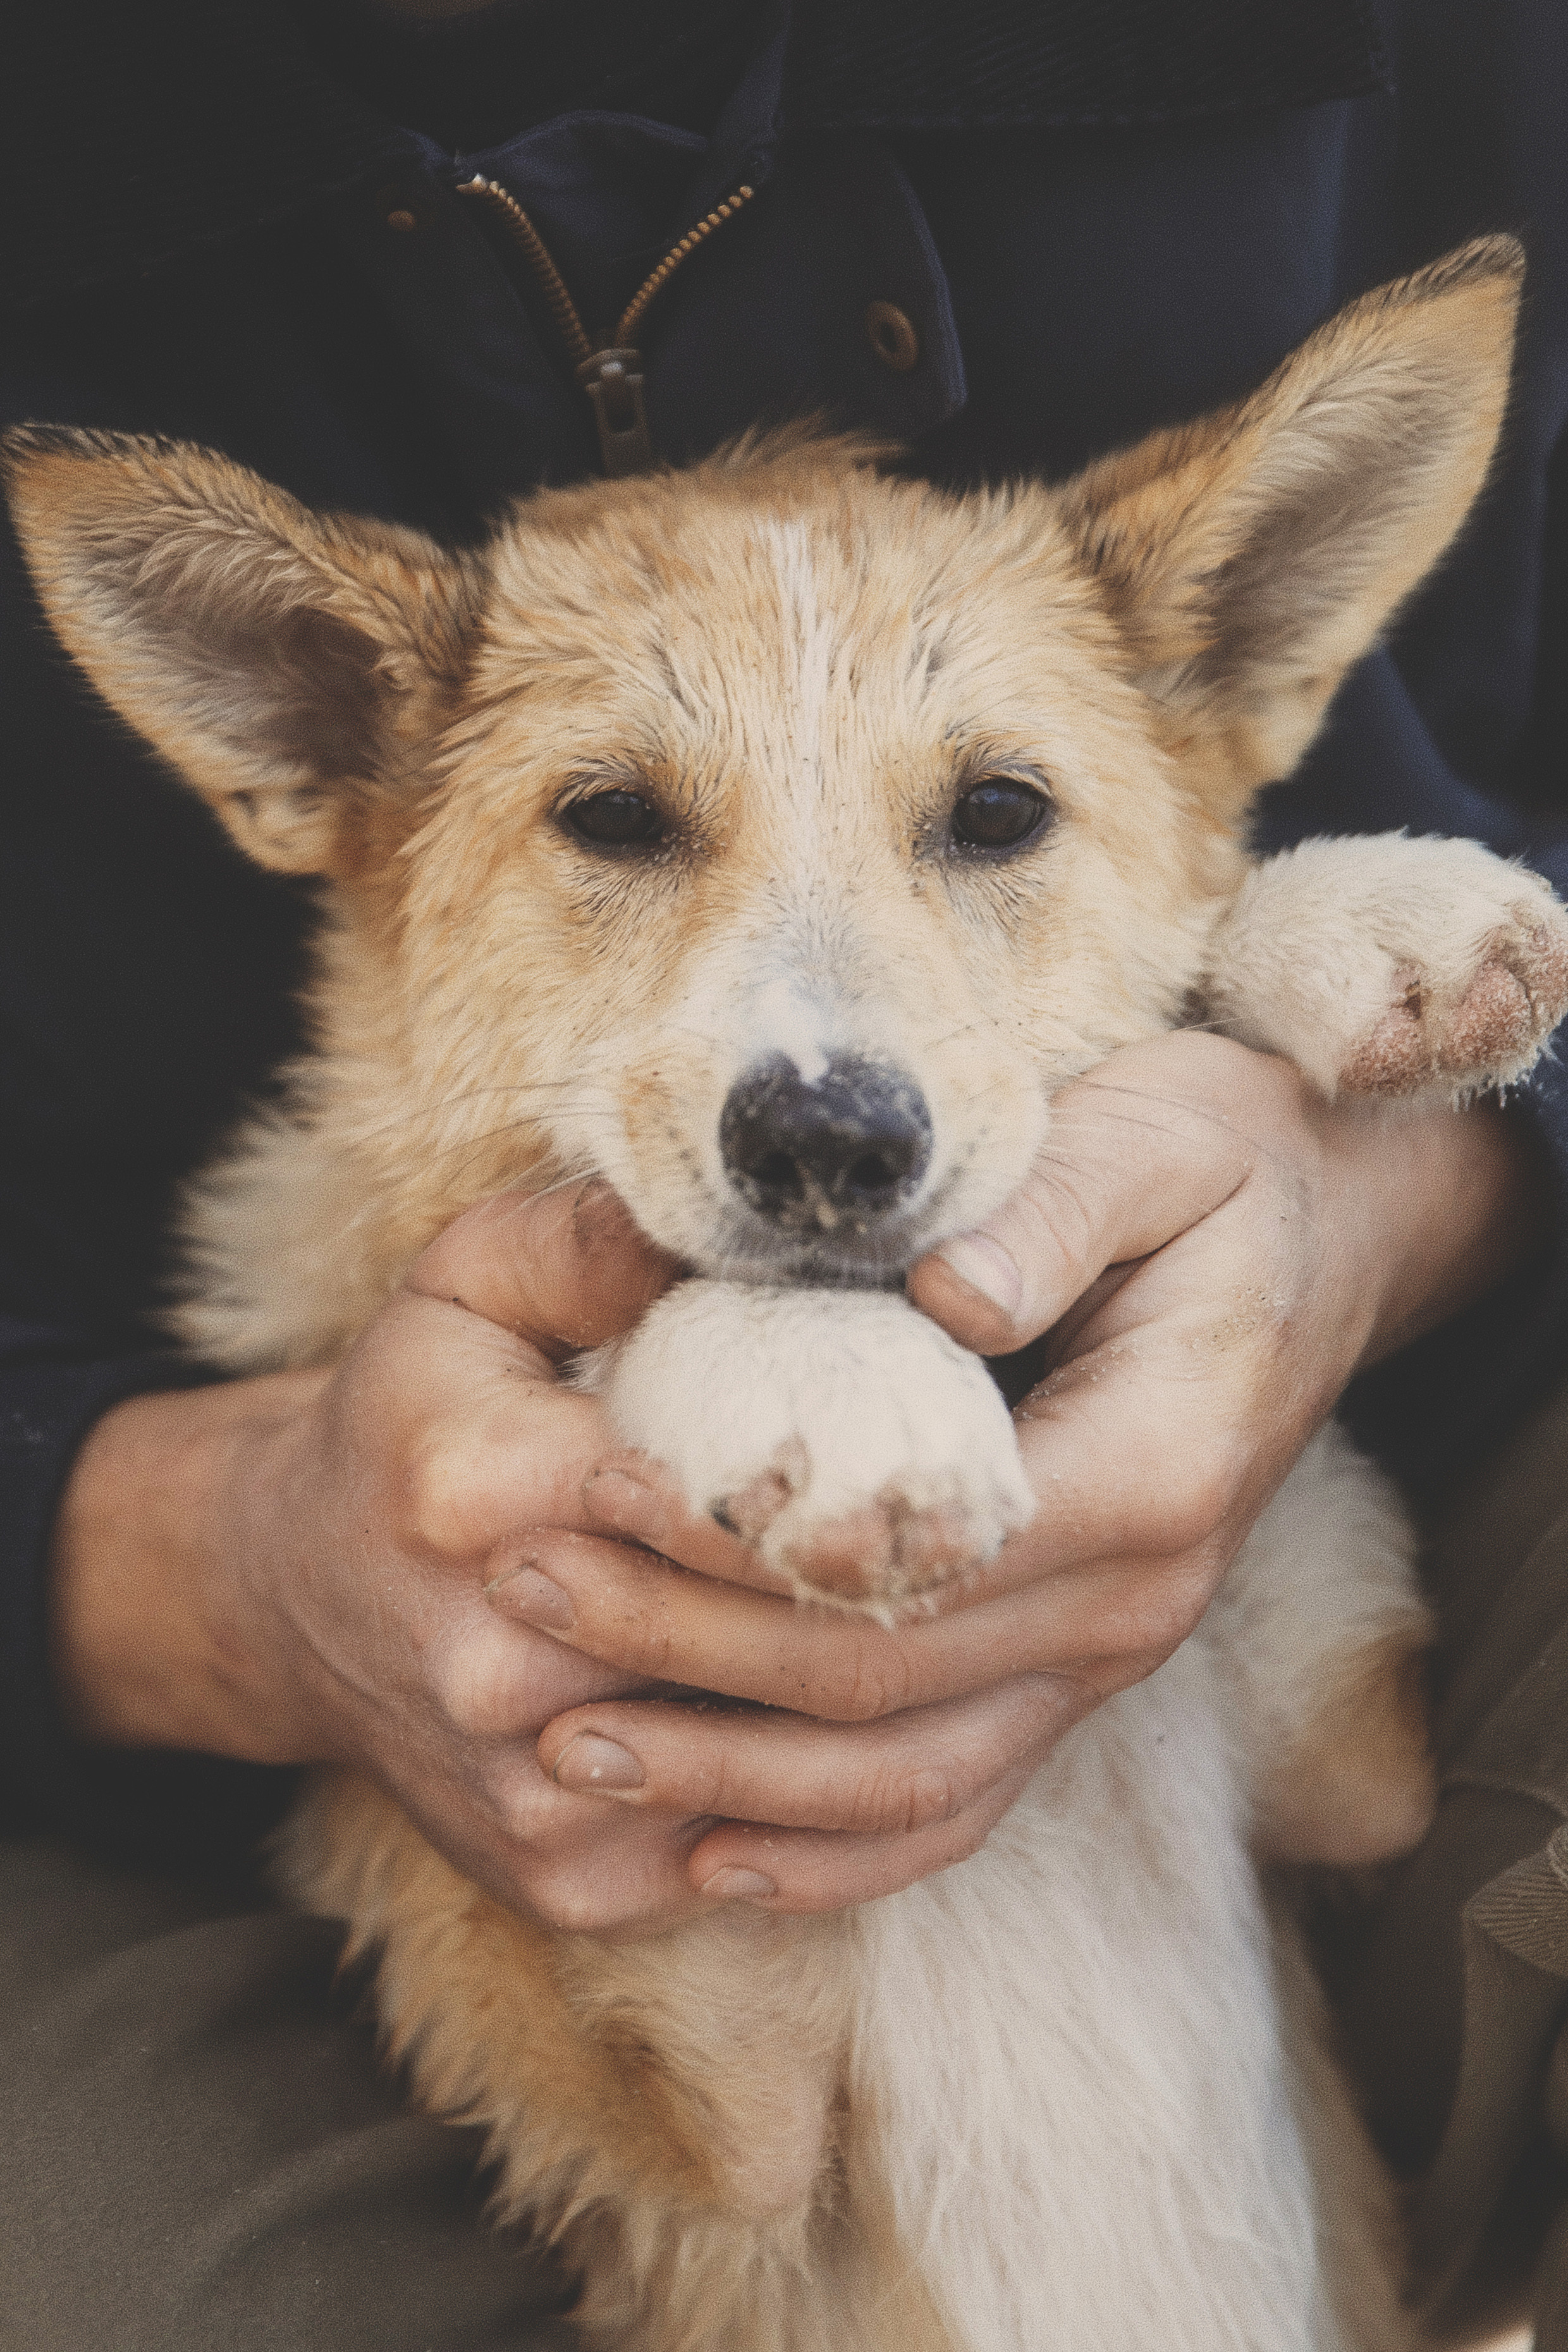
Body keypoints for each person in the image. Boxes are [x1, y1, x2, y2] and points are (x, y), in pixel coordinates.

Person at [1, 0, 1565, 2344]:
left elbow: (1352, 1772)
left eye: (995, 815)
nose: (825, 1069)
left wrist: (1360, 1142)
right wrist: (208, 1552)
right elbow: (724, 2094)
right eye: (623, 819)